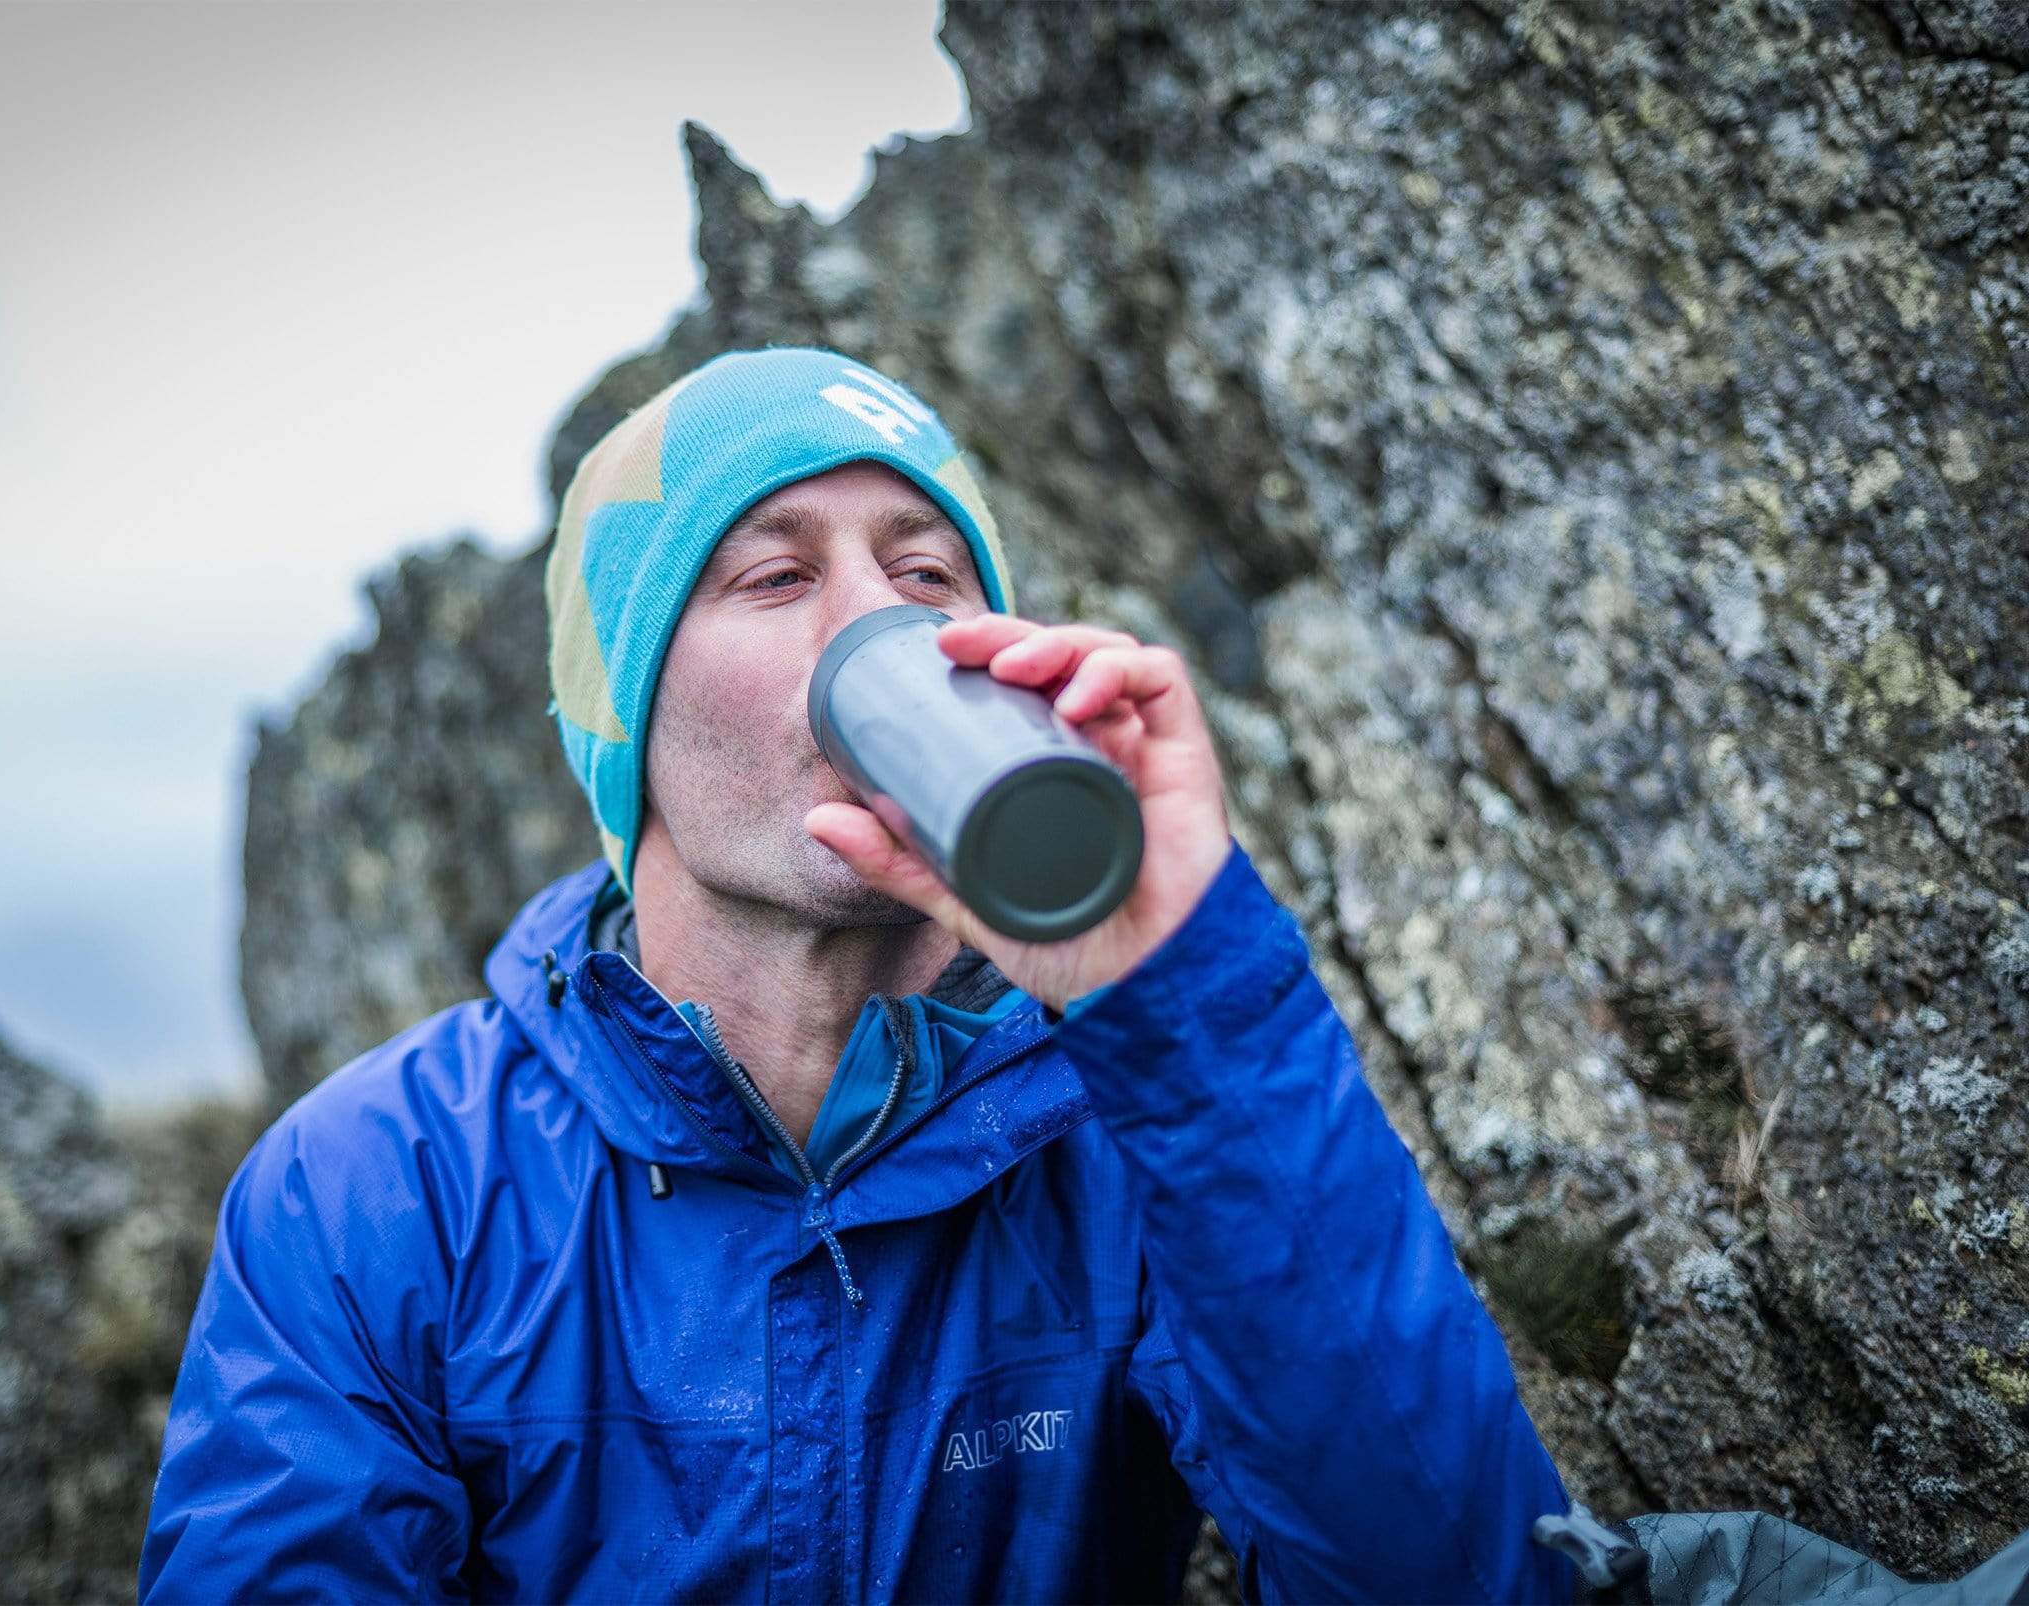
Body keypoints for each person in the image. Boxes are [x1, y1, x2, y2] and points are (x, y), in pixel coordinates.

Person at [138, 347, 1576, 1602]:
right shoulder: (376, 1188)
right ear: (627, 718)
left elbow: (1451, 1570)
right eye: (775, 573)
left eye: (925, 574)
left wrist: (1186, 994)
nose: (870, 628)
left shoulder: (1132, 1134)